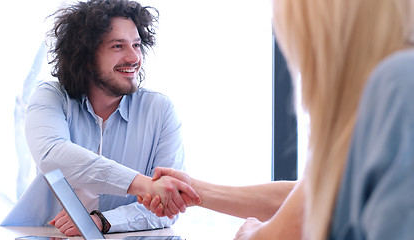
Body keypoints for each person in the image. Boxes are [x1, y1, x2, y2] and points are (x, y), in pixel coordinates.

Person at [139, 0, 414, 239]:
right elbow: (315, 193)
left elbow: (293, 220)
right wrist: (197, 190)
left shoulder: (397, 83)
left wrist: (251, 234)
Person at [1, 0, 200, 236]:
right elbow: (53, 155)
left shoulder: (160, 110)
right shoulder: (51, 97)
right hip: (48, 234)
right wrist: (144, 184)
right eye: (118, 46)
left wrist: (102, 220)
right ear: (86, 54)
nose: (134, 57)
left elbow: (168, 205)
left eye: (136, 45)